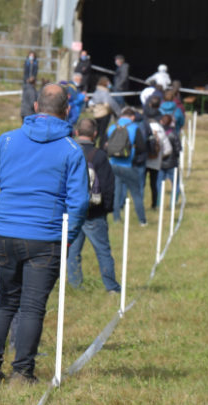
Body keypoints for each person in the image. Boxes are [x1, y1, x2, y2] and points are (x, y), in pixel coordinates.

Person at [0, 83, 88, 384]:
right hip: (45, 238)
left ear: (36, 107)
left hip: (7, 235)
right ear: (67, 111)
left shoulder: (7, 140)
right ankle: (22, 372)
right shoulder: (72, 150)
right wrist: (68, 237)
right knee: (32, 307)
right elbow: (79, 202)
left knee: (6, 300)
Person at [67, 118, 120, 293]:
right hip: (95, 212)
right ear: (95, 134)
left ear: (76, 132)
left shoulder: (68, 152)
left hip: (72, 211)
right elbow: (108, 185)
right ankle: (111, 287)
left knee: (72, 252)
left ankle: (75, 286)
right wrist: (107, 208)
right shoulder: (100, 155)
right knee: (103, 251)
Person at [107, 106, 149, 226]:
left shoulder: (112, 127)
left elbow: (106, 145)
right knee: (136, 193)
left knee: (116, 192)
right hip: (128, 164)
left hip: (113, 164)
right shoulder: (134, 128)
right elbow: (142, 148)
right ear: (133, 117)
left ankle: (116, 218)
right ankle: (142, 220)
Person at [90, 76, 113, 147]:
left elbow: (92, 103)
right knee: (102, 132)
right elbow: (107, 104)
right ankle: (101, 146)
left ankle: (92, 144)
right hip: (104, 114)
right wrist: (110, 110)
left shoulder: (96, 91)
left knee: (96, 131)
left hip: (96, 113)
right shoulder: (105, 92)